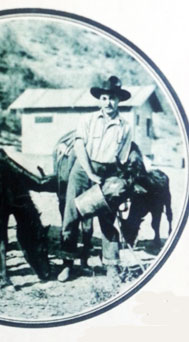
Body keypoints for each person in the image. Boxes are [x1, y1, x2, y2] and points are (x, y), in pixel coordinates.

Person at [57, 75, 132, 282]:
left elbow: (122, 158)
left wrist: (118, 182)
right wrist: (90, 173)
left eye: (113, 98)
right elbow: (80, 146)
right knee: (71, 216)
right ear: (100, 100)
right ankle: (67, 264)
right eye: (105, 98)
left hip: (108, 173)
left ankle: (111, 265)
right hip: (82, 170)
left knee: (108, 219)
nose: (109, 102)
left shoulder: (125, 126)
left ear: (119, 101)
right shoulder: (87, 120)